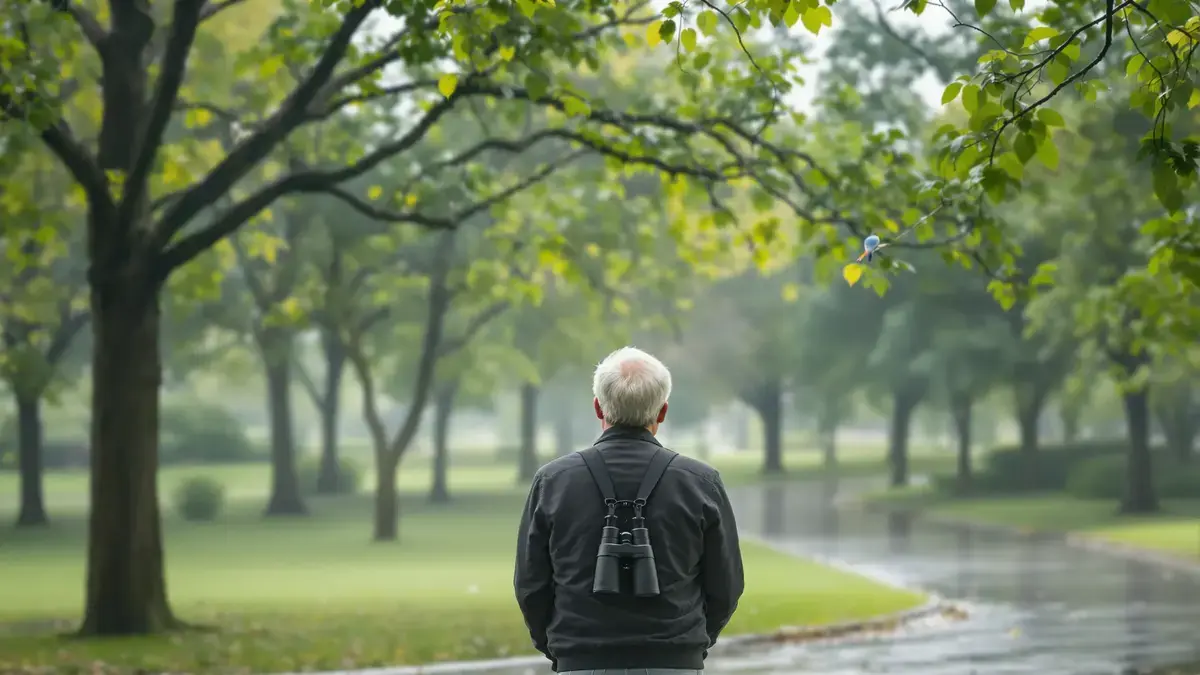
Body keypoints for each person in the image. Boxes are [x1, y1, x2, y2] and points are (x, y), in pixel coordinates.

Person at [514, 346, 745, 674]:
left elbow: (531, 586)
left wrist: (563, 652)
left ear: (598, 407)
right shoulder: (700, 483)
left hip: (581, 662)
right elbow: (726, 586)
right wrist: (688, 647)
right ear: (662, 412)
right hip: (674, 663)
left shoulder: (554, 481)